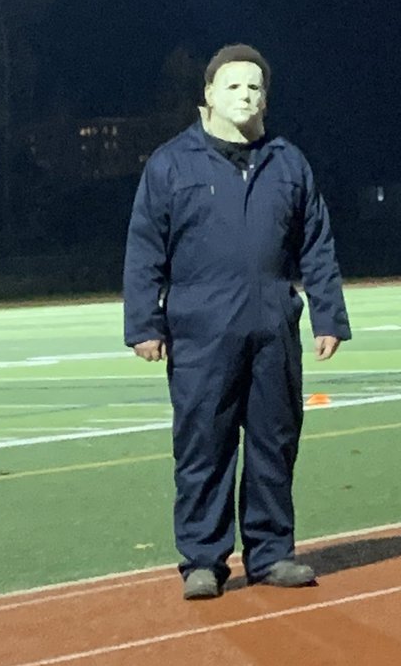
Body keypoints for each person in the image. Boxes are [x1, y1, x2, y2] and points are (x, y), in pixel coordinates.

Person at [123, 43, 351, 599]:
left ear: (265, 97)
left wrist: (328, 313)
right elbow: (145, 246)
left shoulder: (289, 162)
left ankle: (271, 552)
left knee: (275, 442)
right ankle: (203, 559)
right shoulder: (171, 164)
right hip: (201, 329)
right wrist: (143, 324)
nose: (244, 95)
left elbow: (316, 243)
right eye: (232, 86)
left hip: (273, 325)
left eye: (253, 87)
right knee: (205, 444)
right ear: (208, 94)